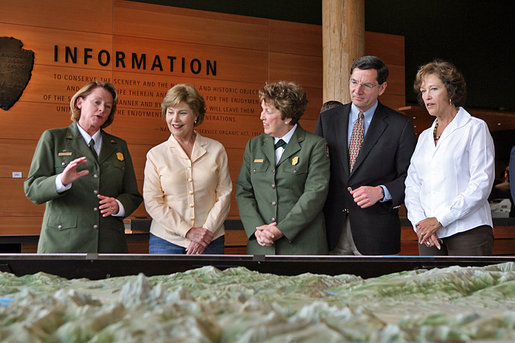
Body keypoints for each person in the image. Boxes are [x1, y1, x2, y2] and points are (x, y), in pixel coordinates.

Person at [24, 81, 142, 253]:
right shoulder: (54, 138)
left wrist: (119, 205)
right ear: (80, 102)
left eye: (108, 106)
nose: (102, 109)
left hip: (108, 245)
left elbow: (132, 194)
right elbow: (32, 189)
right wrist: (61, 181)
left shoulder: (119, 146)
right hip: (63, 245)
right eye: (97, 102)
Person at [315, 56, 416, 255]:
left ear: (382, 88)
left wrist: (381, 191)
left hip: (377, 233)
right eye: (354, 82)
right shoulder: (328, 120)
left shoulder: (399, 126)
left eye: (367, 85)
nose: (357, 90)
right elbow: (316, 172)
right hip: (331, 230)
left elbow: (412, 177)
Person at [405, 60, 495, 255]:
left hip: (468, 231)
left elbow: (481, 183)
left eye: (433, 89)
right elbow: (412, 186)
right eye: (423, 91)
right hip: (429, 236)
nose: (426, 96)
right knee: (430, 286)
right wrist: (420, 223)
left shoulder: (475, 128)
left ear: (451, 91)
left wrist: (440, 220)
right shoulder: (423, 138)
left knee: (467, 286)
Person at [235, 81, 330, 254]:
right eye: (262, 109)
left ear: (287, 117)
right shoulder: (253, 145)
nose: (261, 116)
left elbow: (315, 194)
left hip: (302, 247)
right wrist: (258, 229)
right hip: (261, 244)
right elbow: (243, 191)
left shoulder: (315, 145)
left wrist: (281, 230)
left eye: (268, 111)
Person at [143, 84, 232, 254]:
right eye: (170, 112)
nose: (175, 119)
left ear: (196, 116)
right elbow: (152, 201)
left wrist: (206, 233)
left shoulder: (216, 150)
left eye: (182, 113)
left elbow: (224, 194)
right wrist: (189, 231)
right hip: (166, 242)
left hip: (210, 240)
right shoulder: (155, 154)